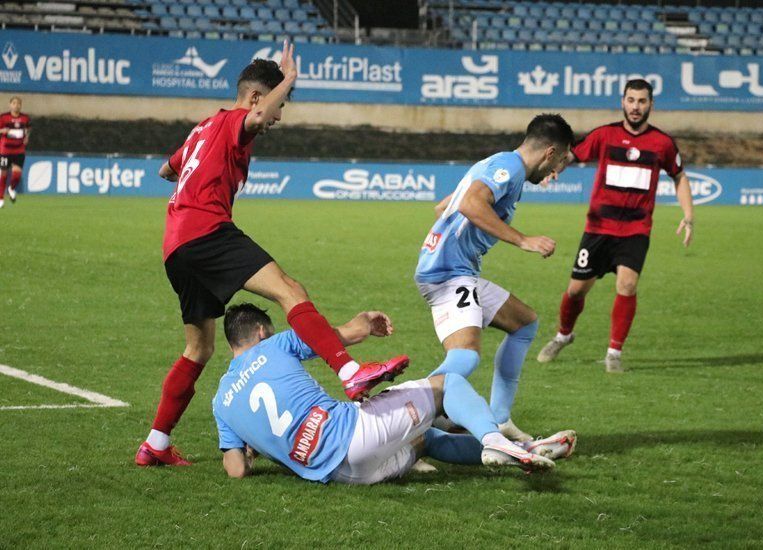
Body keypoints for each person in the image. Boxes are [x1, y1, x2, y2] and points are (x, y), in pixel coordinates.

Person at [136, 42, 408, 467]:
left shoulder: (204, 127)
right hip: (207, 230)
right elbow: (260, 115)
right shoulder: (234, 122)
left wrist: (193, 169)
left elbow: (165, 170)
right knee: (289, 290)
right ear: (256, 97)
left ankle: (155, 442)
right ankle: (351, 374)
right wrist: (291, 78)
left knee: (199, 349)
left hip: (176, 246)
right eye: (279, 105)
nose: (278, 118)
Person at [213, 303, 577, 483]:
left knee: (426, 438)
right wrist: (365, 322)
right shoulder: (276, 344)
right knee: (446, 386)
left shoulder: (221, 403)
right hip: (352, 434)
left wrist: (256, 446)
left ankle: (526, 452)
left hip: (346, 475)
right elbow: (341, 334)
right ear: (261, 331)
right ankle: (495, 438)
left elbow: (236, 471)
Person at [414, 114, 575, 442]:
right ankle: (398, 421)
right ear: (549, 152)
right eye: (558, 162)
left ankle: (500, 420)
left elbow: (444, 206)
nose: (555, 172)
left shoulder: (499, 165)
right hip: (447, 271)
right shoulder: (511, 168)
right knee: (465, 356)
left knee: (524, 323)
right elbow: (471, 204)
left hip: (456, 270)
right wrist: (522, 239)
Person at [536, 79, 694, 372]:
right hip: (598, 229)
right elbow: (572, 154)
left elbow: (679, 175)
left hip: (635, 230)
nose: (636, 107)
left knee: (627, 284)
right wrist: (551, 169)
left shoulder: (662, 143)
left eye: (642, 101)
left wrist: (688, 214)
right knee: (575, 292)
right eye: (631, 100)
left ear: (651, 105)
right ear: (622, 101)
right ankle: (563, 335)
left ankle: (614, 353)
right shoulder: (605, 135)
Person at [0, 96, 31, 209]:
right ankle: (1, 199)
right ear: (10, 105)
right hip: (5, 149)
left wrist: (27, 137)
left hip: (19, 149)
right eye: (14, 103)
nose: (16, 105)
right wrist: (2, 130)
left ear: (20, 106)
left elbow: (27, 129)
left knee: (16, 176)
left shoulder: (25, 118)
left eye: (18, 103)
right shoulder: (3, 117)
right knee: (3, 174)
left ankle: (11, 189)